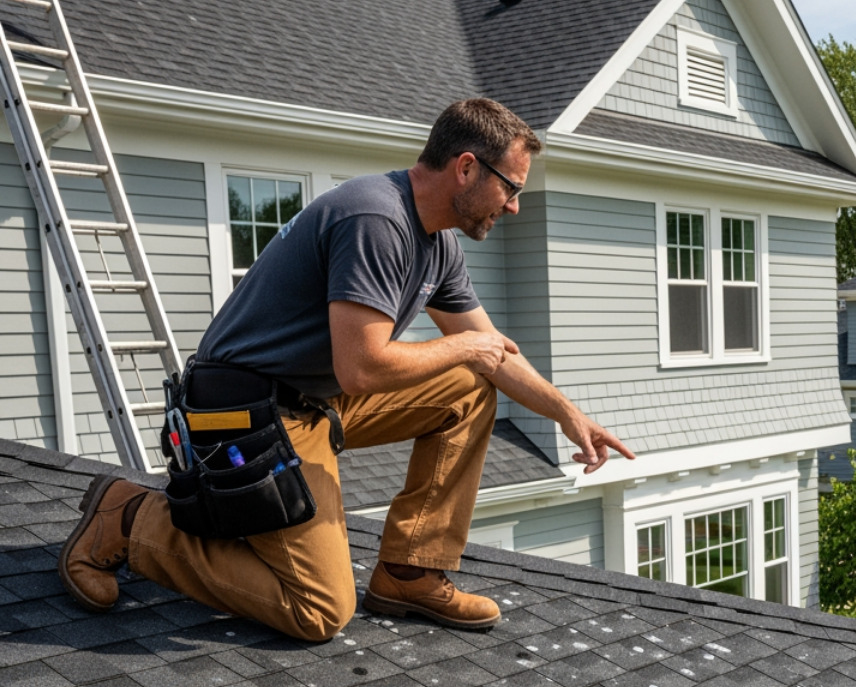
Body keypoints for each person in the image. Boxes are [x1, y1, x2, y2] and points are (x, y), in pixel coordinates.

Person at [58, 98, 632, 641]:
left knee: (468, 387)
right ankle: (132, 520)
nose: (513, 206)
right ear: (465, 168)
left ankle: (411, 572)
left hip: (314, 399)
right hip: (246, 410)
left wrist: (568, 414)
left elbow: (491, 354)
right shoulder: (375, 218)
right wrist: (466, 350)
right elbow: (363, 369)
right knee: (319, 610)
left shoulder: (438, 244)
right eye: (510, 187)